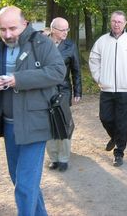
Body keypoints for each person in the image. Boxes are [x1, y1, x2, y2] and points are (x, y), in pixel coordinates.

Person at [0, 6, 66, 216]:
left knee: (26, 184)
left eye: (12, 28)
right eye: (3, 29)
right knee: (18, 179)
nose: (7, 34)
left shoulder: (41, 43)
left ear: (24, 24)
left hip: (35, 123)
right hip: (9, 123)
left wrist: (18, 79)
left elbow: (58, 71)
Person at [89, 10, 127, 167]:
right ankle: (115, 137)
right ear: (111, 22)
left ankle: (119, 152)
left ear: (125, 23)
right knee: (105, 117)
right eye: (114, 21)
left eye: (119, 22)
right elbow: (94, 60)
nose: (116, 24)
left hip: (125, 89)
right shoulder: (102, 41)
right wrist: (99, 78)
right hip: (106, 88)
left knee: (122, 122)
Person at [46, 17, 82, 172]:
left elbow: (76, 70)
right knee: (48, 124)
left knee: (63, 122)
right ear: (53, 29)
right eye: (63, 30)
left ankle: (64, 158)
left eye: (67, 29)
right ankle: (53, 157)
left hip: (63, 90)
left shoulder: (70, 45)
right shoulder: (42, 43)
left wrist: (77, 92)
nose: (66, 32)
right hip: (45, 90)